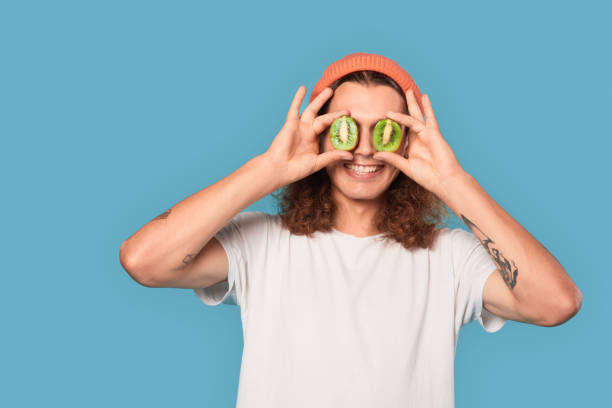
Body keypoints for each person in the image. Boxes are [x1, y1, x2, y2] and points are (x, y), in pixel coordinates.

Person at [119, 52, 583, 408]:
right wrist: (268, 169)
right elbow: (144, 260)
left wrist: (453, 183)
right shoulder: (261, 243)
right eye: (346, 128)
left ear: (407, 139)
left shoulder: (450, 258)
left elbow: (556, 303)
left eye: (384, 129)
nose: (364, 149)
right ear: (319, 134)